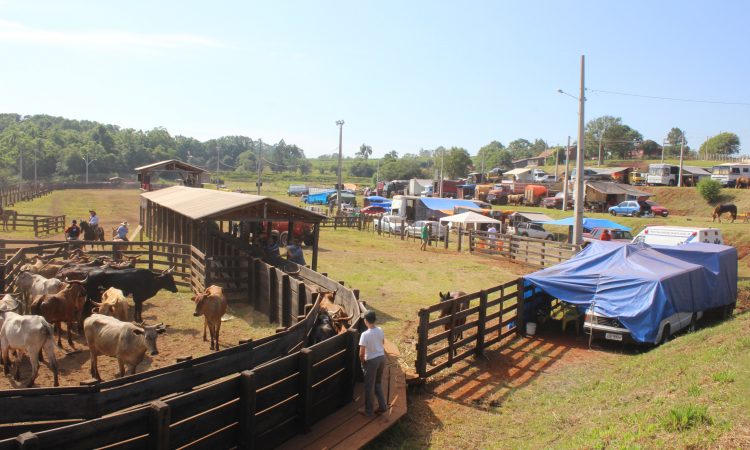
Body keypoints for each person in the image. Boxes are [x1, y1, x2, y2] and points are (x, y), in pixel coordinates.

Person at [358, 311, 387, 417]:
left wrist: (363, 362)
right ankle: (383, 406)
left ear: (366, 321)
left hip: (372, 361)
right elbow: (382, 342)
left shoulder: (364, 335)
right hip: (382, 358)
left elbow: (361, 353)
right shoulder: (380, 330)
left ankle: (368, 411)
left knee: (369, 387)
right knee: (377, 384)